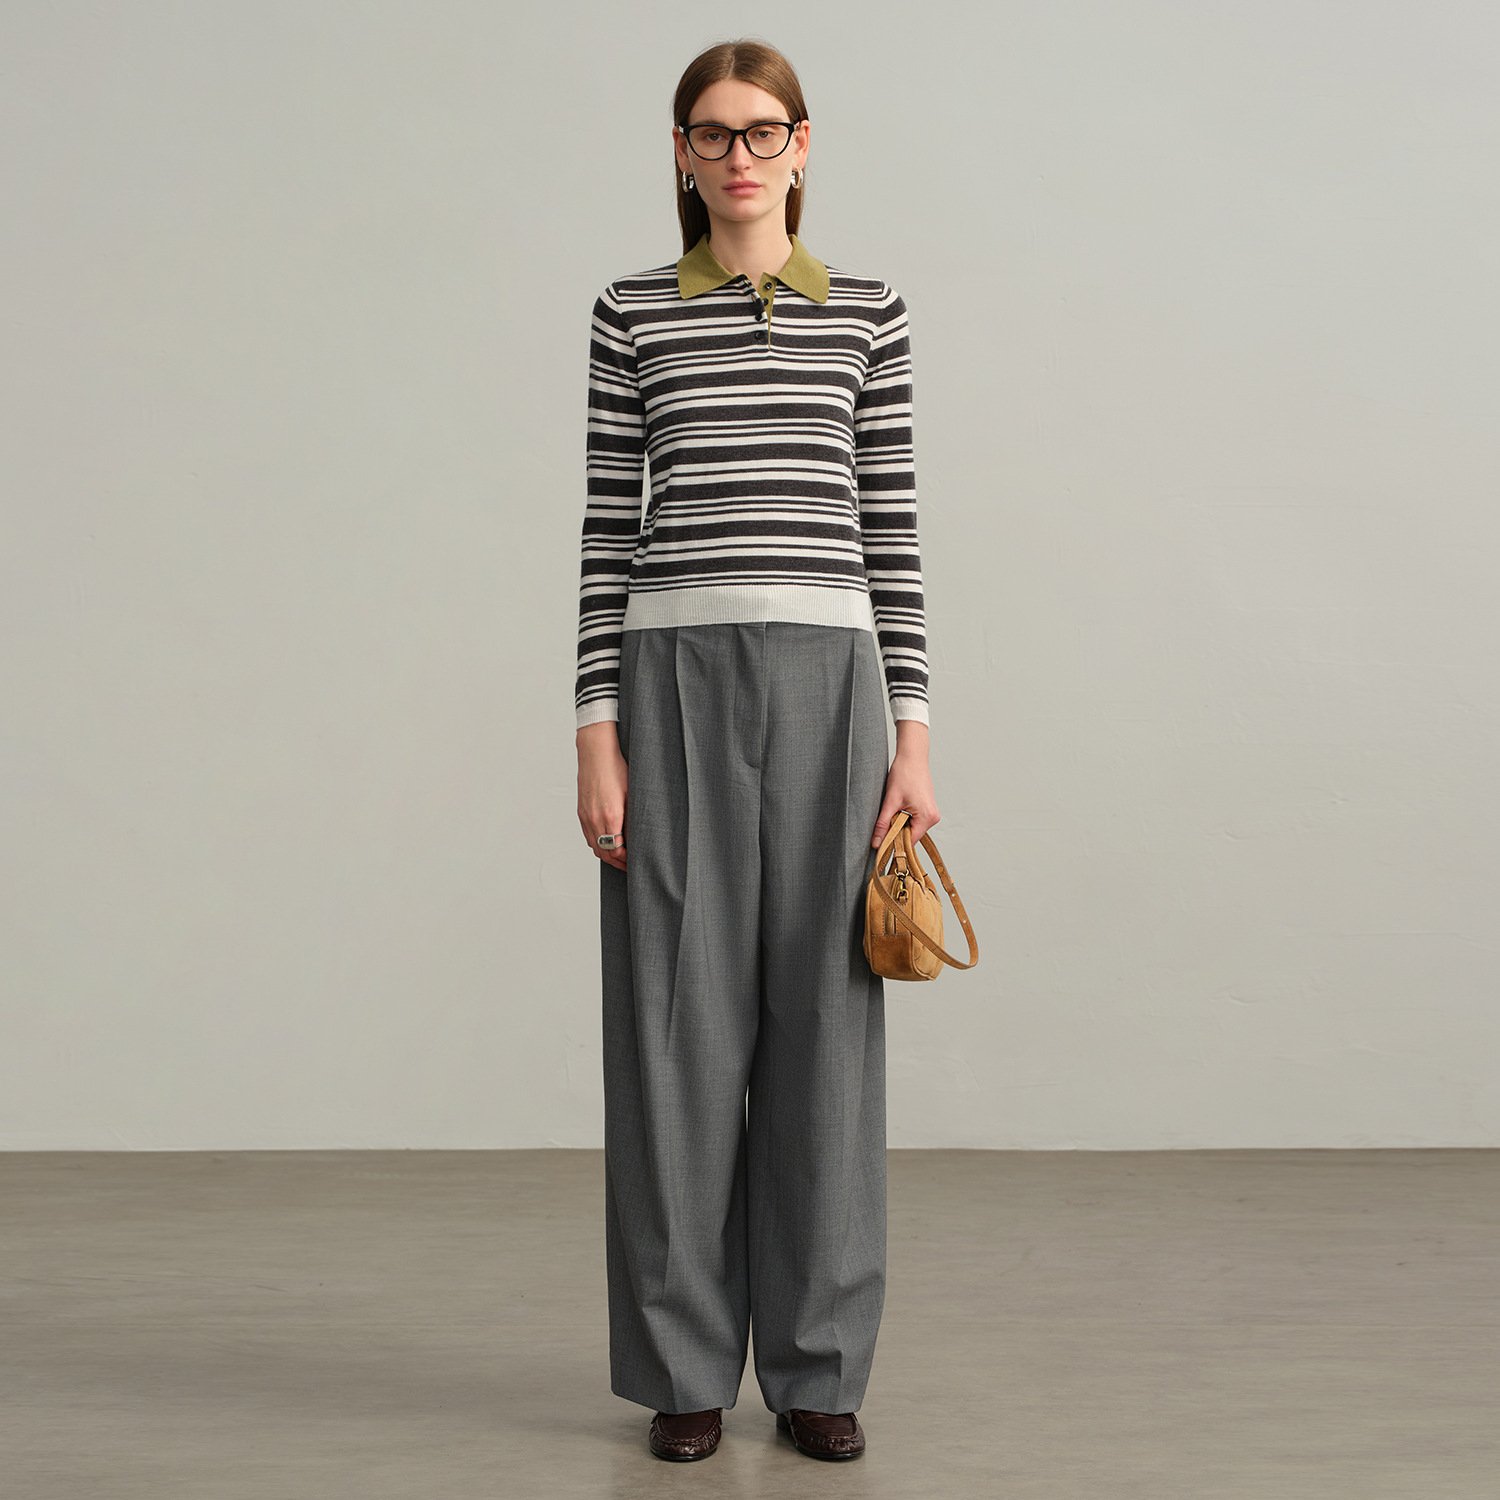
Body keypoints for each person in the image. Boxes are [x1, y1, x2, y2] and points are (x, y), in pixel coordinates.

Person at [573, 38, 939, 1463]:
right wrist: (595, 731)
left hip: (835, 690)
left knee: (828, 1035)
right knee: (674, 1030)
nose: (740, 155)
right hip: (669, 685)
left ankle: (818, 1367)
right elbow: (606, 531)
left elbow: (890, 530)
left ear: (802, 142)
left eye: (763, 129)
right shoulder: (630, 313)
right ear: (680, 151)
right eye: (713, 133)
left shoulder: (869, 314)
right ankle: (682, 1369)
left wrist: (913, 736)